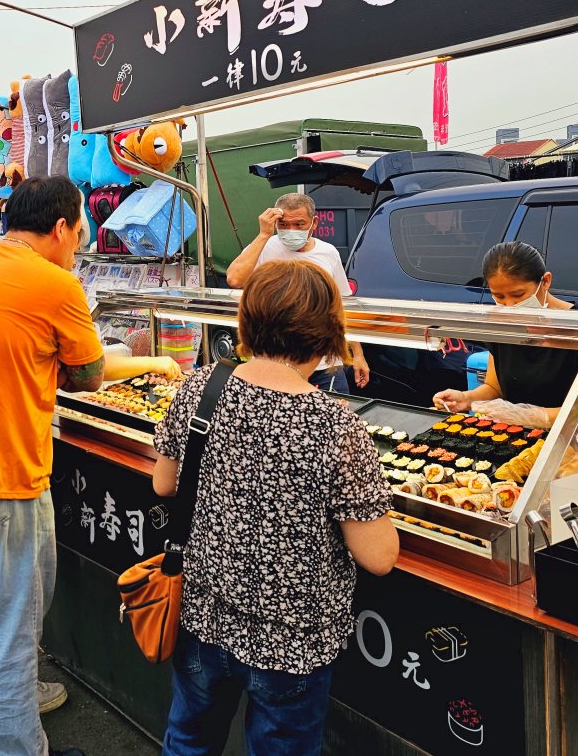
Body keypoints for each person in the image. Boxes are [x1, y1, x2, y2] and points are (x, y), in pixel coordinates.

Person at [0, 176, 175, 756]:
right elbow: (87, 377)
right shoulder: (56, 284)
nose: (79, 244)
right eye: (79, 233)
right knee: (9, 629)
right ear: (60, 228)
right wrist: (148, 362)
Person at [152, 260, 399, 756]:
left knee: (189, 741)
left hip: (204, 615)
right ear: (329, 333)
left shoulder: (200, 388)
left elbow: (163, 483)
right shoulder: (337, 426)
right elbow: (379, 556)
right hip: (292, 640)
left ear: (247, 322)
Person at [433, 241, 578, 432]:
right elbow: (494, 387)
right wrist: (467, 399)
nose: (509, 305)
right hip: (523, 437)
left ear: (545, 281)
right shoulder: (502, 327)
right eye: (499, 296)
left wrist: (536, 416)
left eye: (518, 295)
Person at [224, 193, 369, 393]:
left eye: (299, 224)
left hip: (325, 366)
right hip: (275, 365)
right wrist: (263, 235)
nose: (291, 230)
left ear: (314, 223)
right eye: (283, 224)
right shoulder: (264, 246)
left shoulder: (328, 253)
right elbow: (234, 279)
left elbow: (343, 307)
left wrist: (358, 354)